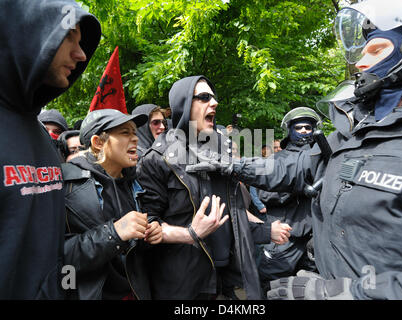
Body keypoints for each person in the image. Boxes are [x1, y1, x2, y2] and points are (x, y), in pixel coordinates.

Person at [194, 0, 402, 300]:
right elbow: (290, 168)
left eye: (377, 50)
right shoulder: (353, 130)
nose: (361, 63)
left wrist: (345, 295)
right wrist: (233, 166)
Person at [136, 75, 290, 300]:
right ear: (184, 104)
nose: (215, 102)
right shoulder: (157, 158)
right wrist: (190, 234)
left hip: (227, 280)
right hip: (182, 284)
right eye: (205, 97)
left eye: (214, 97)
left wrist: (267, 231)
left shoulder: (220, 151)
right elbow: (147, 226)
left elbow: (231, 215)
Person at [0, 0, 101, 299]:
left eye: (81, 42)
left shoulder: (40, 134)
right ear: (26, 33)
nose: (81, 54)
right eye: (68, 36)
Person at [61, 109, 164, 300]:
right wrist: (113, 233)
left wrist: (151, 230)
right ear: (98, 143)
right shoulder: (67, 184)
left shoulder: (135, 180)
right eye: (125, 132)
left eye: (134, 132)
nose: (135, 139)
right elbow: (60, 257)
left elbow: (134, 246)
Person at [256, 107, 321, 295]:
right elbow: (264, 195)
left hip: (313, 239)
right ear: (289, 130)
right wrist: (297, 187)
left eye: (308, 128)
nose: (303, 131)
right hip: (284, 236)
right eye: (299, 127)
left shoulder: (322, 158)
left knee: (308, 289)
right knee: (271, 285)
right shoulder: (277, 159)